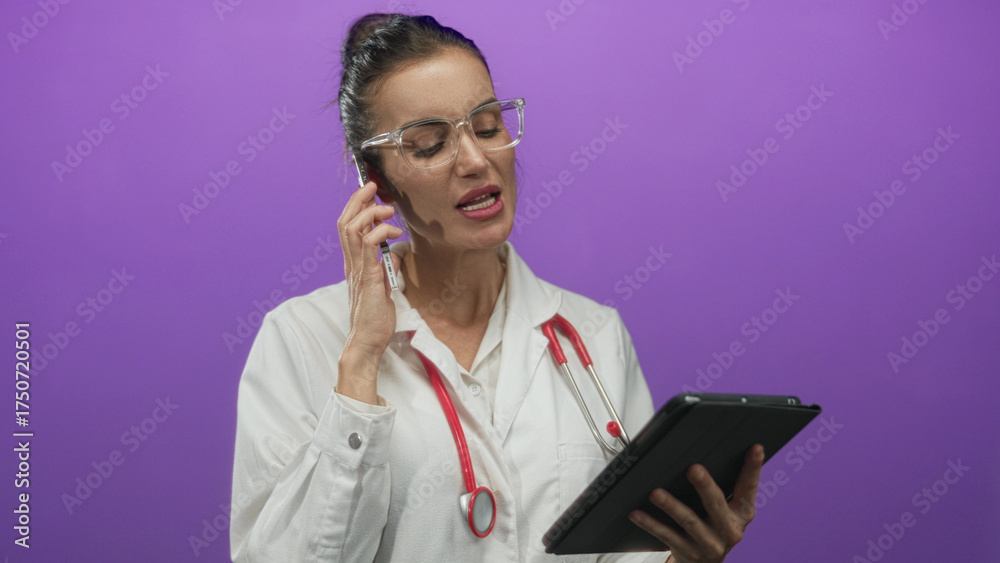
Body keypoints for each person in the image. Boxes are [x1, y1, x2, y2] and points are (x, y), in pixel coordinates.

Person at [230, 13, 763, 563]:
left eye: (487, 127)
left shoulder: (594, 333)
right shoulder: (301, 338)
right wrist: (363, 359)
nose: (476, 160)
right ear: (377, 180)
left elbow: (629, 552)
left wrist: (684, 559)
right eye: (430, 144)